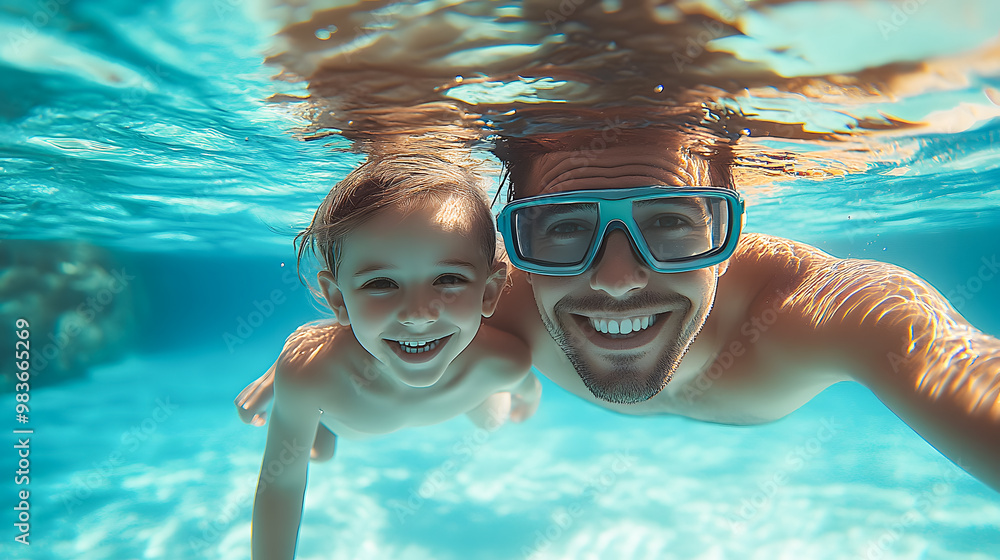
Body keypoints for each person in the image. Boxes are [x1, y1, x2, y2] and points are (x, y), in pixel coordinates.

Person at [238, 128, 999, 493]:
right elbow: (400, 288)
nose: (616, 280)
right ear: (514, 249)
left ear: (728, 233)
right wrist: (332, 345)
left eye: (670, 220)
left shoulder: (827, 309)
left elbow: (955, 365)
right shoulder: (496, 296)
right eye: (564, 226)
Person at [249, 153, 542, 560]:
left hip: (454, 392)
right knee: (319, 449)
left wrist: (528, 398)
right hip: (346, 412)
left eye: (448, 279)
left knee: (492, 420)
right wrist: (292, 370)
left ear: (490, 292)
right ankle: (310, 372)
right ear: (338, 299)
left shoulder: (502, 362)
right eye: (382, 283)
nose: (418, 314)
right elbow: (281, 483)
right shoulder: (312, 377)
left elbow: (526, 384)